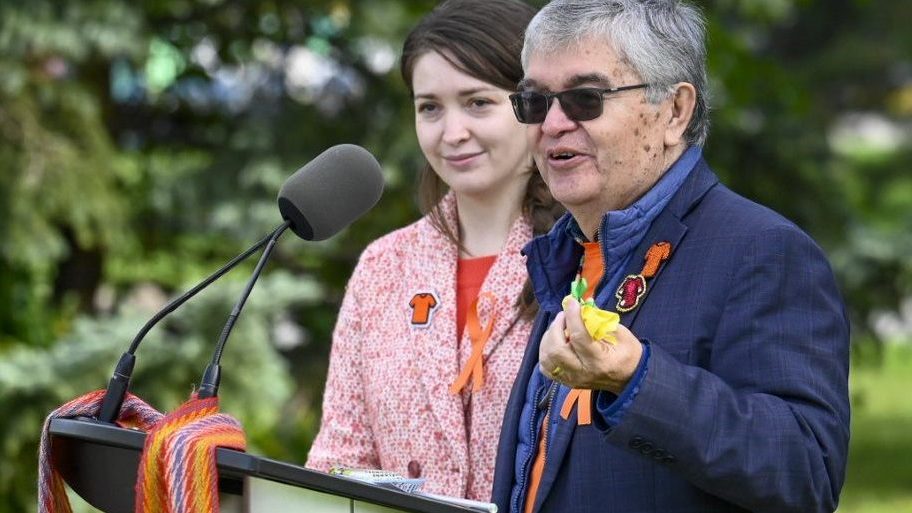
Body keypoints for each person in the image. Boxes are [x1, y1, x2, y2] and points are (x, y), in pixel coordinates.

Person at [490, 1, 851, 512]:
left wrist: (637, 378)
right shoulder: (569, 251)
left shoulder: (763, 250)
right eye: (533, 102)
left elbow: (804, 471)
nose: (551, 123)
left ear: (674, 112)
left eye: (585, 98)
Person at [306, 0, 562, 502]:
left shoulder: (588, 255)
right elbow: (338, 461)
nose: (452, 133)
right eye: (430, 108)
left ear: (533, 106)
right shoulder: (384, 267)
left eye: (478, 103)